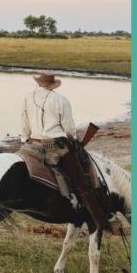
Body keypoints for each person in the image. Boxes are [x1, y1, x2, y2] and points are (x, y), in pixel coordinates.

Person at [19, 72, 112, 233]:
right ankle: (97, 218)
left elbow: (24, 121)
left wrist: (25, 138)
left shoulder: (28, 98)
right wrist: (74, 140)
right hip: (56, 145)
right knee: (81, 181)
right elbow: (69, 128)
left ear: (39, 83)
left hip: (33, 144)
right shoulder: (61, 100)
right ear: (52, 84)